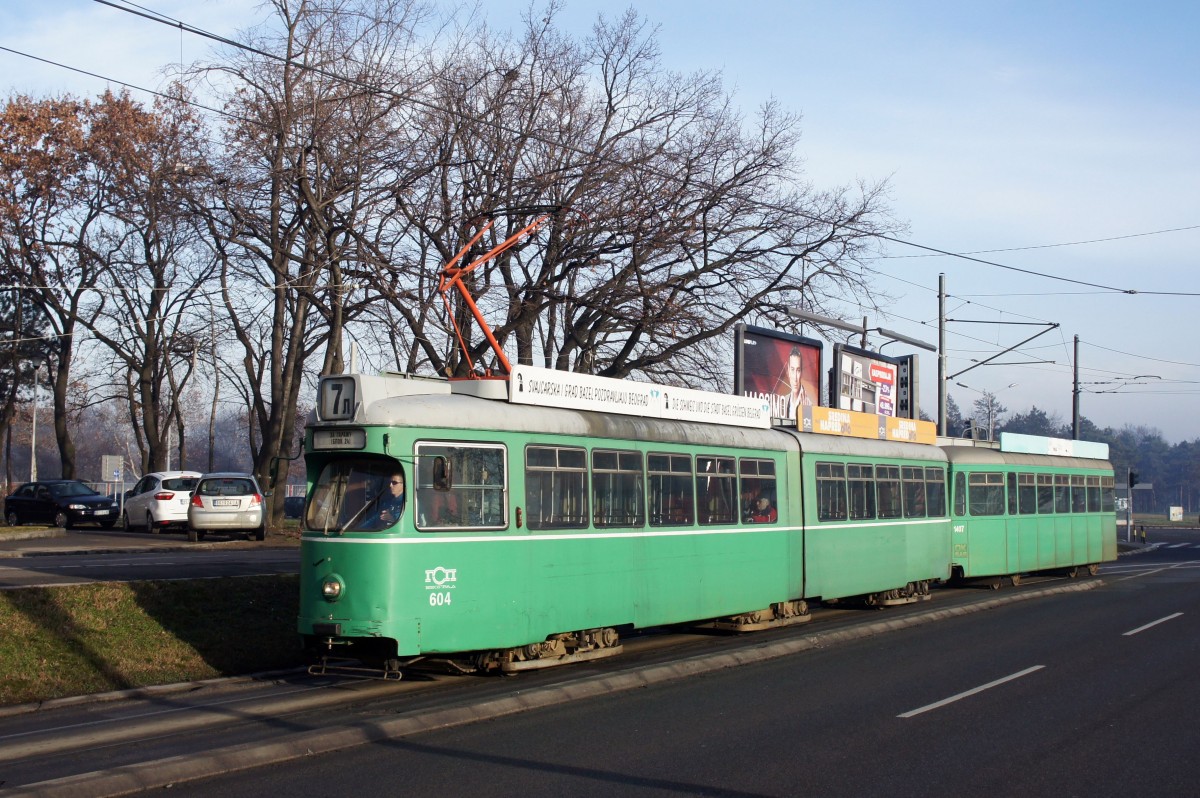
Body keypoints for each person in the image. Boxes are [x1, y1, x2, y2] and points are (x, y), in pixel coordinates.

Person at [783, 346, 814, 418]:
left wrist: (806, 413)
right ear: (788, 371)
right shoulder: (784, 401)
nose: (795, 378)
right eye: (792, 369)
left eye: (798, 370)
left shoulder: (809, 404)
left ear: (802, 372)